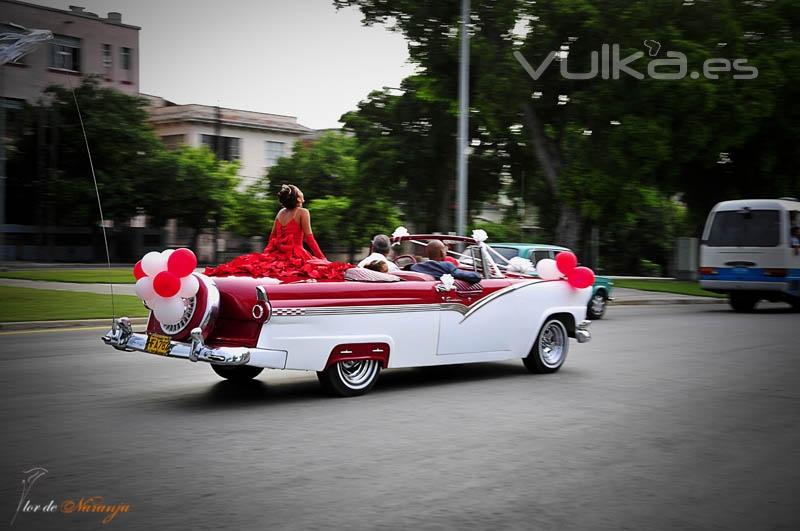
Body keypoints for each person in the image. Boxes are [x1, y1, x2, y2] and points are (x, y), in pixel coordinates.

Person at [204, 184, 351, 282]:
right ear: (298, 197)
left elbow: (272, 237)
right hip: (296, 254)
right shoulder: (303, 212)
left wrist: (268, 255)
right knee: (328, 271)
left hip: (277, 253)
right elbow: (309, 238)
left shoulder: (281, 213)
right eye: (299, 191)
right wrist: (322, 258)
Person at [411, 240, 481, 283]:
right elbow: (473, 277)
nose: (446, 253)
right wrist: (478, 275)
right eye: (445, 251)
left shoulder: (415, 267)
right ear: (442, 253)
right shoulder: (447, 266)